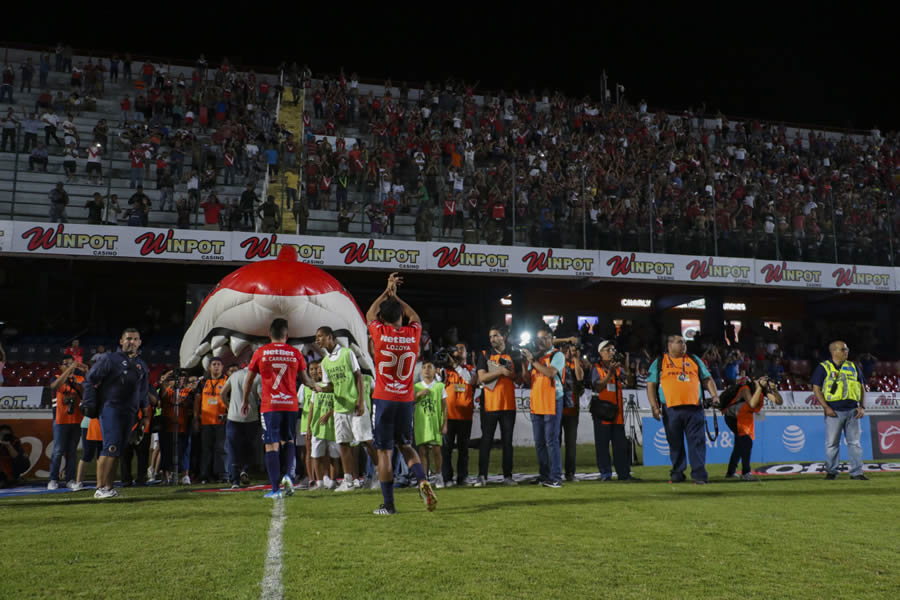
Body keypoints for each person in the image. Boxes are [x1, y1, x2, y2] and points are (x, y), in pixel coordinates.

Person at [365, 272, 436, 515]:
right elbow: (415, 316)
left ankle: (389, 505)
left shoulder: (380, 333)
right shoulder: (412, 334)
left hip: (384, 399)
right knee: (406, 445)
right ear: (400, 317)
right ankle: (422, 480)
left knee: (384, 451)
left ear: (383, 318)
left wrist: (387, 291)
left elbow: (369, 314)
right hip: (405, 400)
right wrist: (398, 298)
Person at [242, 318, 315, 499]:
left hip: (270, 406)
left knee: (271, 445)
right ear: (286, 335)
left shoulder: (261, 352)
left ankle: (275, 489)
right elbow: (306, 381)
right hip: (290, 405)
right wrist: (319, 386)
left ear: (269, 334)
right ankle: (288, 476)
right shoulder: (295, 353)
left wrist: (245, 400)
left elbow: (249, 380)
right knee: (288, 441)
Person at [82, 328, 151, 499]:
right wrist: (89, 402)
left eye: (135, 339)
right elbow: (90, 379)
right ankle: (100, 488)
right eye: (128, 339)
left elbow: (143, 391)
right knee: (110, 447)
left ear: (140, 342)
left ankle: (109, 488)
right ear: (121, 341)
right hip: (111, 408)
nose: (131, 342)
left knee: (118, 449)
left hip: (130, 411)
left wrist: (145, 414)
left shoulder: (142, 365)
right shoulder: (109, 359)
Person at [647, 335, 719, 484]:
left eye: (685, 342)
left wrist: (714, 395)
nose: (684, 345)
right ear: (669, 345)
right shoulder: (660, 362)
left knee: (697, 442)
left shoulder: (694, 359)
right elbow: (651, 385)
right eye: (680, 342)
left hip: (694, 408)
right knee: (675, 443)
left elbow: (707, 378)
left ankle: (699, 476)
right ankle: (677, 473)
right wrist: (654, 407)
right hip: (671, 409)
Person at [314, 326, 378, 492]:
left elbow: (358, 376)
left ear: (330, 337)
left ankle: (380, 473)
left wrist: (361, 401)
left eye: (320, 336)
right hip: (339, 408)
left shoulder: (346, 353)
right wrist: (320, 388)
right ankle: (348, 480)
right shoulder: (325, 362)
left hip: (355, 406)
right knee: (343, 443)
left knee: (366, 441)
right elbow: (330, 386)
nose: (317, 340)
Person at [812, 341, 867, 480]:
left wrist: (862, 406)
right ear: (834, 351)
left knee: (854, 443)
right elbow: (816, 389)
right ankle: (832, 472)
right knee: (832, 444)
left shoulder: (853, 366)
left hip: (853, 411)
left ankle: (857, 473)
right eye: (843, 349)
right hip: (834, 412)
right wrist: (826, 407)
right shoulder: (823, 367)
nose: (846, 351)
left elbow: (862, 388)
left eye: (847, 349)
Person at [521, 324, 565, 488]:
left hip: (552, 401)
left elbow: (550, 373)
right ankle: (544, 475)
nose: (540, 341)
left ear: (551, 339)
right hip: (537, 402)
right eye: (538, 338)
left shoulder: (557, 355)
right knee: (540, 442)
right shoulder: (537, 356)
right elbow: (527, 379)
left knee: (551, 441)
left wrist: (532, 360)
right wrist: (524, 363)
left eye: (544, 338)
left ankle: (556, 478)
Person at [474, 325, 518, 487]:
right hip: (489, 405)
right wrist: (500, 372)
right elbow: (482, 378)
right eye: (491, 336)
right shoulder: (485, 355)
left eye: (496, 336)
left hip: (508, 405)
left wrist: (512, 373)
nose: (492, 339)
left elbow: (519, 378)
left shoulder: (514, 353)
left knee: (508, 442)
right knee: (486, 441)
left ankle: (508, 476)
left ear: (504, 337)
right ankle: (482, 476)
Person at [720, 373, 783, 480]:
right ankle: (746, 472)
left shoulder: (762, 391)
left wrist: (775, 390)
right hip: (733, 417)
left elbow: (779, 402)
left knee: (740, 444)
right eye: (762, 380)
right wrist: (759, 388)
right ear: (755, 380)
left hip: (742, 417)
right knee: (746, 442)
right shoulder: (746, 389)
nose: (764, 383)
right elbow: (752, 404)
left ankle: (731, 472)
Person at [591, 341, 637, 482]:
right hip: (602, 412)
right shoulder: (596, 368)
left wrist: (627, 368)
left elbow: (629, 382)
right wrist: (610, 373)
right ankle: (606, 474)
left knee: (620, 445)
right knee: (602, 445)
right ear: (601, 353)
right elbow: (597, 387)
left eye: (613, 349)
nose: (611, 352)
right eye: (608, 349)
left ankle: (624, 474)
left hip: (617, 413)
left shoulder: (619, 368)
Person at [47, 356, 87, 490]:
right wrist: (70, 369)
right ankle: (53, 479)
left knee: (72, 451)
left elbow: (90, 386)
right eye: (66, 364)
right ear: (61, 366)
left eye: (71, 364)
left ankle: (70, 479)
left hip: (76, 419)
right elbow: (55, 386)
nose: (70, 366)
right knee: (58, 451)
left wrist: (87, 371)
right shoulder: (56, 377)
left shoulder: (79, 378)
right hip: (60, 419)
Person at [441, 342, 476, 487]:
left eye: (462, 348)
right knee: (446, 450)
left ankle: (463, 477)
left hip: (464, 415)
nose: (458, 351)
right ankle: (447, 478)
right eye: (455, 349)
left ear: (466, 353)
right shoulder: (445, 371)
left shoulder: (471, 369)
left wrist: (456, 366)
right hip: (448, 416)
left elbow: (470, 380)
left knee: (463, 450)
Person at [221, 366, 261, 488]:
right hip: (251, 417)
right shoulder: (258, 377)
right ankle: (245, 469)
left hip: (233, 417)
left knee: (233, 448)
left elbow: (222, 393)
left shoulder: (234, 375)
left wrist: (228, 406)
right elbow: (261, 396)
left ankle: (234, 481)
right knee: (249, 447)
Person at [193, 358, 228, 484]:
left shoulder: (226, 380)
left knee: (221, 448)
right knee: (206, 449)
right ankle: (205, 475)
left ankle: (222, 474)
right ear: (209, 367)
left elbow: (231, 398)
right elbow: (197, 401)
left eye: (219, 364)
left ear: (222, 367)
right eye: (214, 364)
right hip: (206, 421)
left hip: (221, 421)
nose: (216, 367)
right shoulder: (203, 382)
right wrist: (196, 418)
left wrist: (228, 414)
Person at [413, 360, 447, 487]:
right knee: (422, 451)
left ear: (434, 371)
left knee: (437, 451)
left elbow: (444, 407)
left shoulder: (439, 386)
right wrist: (418, 394)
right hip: (421, 424)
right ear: (421, 371)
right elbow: (410, 402)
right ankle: (424, 478)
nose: (426, 369)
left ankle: (439, 475)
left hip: (435, 423)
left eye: (429, 367)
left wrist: (444, 424)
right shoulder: (416, 387)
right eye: (424, 367)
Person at [560, 342, 586, 481]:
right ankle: (555, 471)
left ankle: (570, 473)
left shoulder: (575, 364)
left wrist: (576, 359)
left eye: (572, 350)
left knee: (571, 443)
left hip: (572, 409)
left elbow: (580, 377)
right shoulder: (558, 363)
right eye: (568, 350)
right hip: (557, 408)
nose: (569, 352)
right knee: (554, 442)